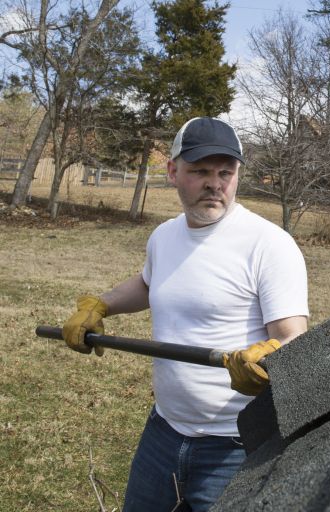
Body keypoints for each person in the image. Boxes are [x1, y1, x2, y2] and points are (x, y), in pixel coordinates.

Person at [61, 117, 309, 511]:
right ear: (173, 172)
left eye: (225, 172)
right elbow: (148, 283)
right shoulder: (165, 236)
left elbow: (294, 334)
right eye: (201, 171)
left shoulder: (269, 245)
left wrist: (269, 358)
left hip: (236, 446)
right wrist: (101, 304)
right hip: (163, 432)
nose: (215, 183)